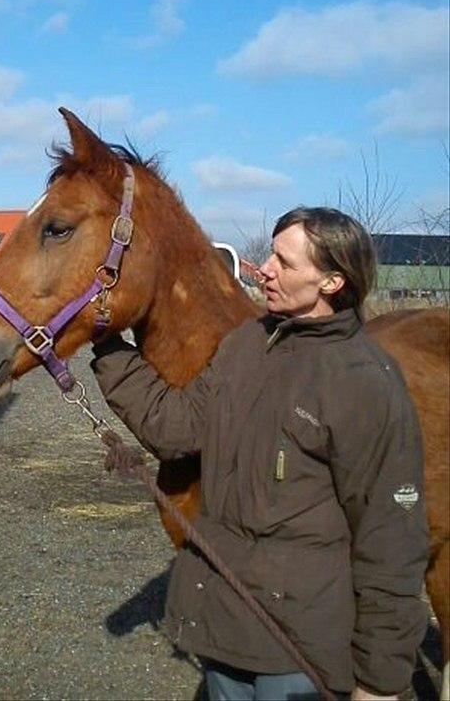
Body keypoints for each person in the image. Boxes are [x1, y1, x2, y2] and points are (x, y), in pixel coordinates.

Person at [91, 207, 429, 701]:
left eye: (284, 262)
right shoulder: (247, 345)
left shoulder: (364, 382)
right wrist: (107, 348)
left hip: (300, 650)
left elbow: (391, 539)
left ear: (332, 282)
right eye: (271, 253)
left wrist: (380, 681)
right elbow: (177, 426)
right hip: (225, 625)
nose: (264, 267)